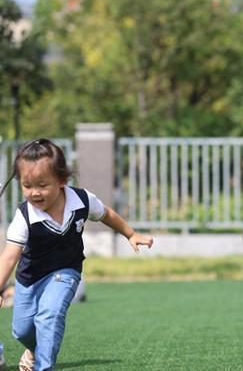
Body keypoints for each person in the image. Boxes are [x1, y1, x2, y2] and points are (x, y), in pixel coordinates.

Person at [0, 138, 154, 371]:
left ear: (62, 180)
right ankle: (32, 350)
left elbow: (106, 214)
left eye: (42, 185)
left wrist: (130, 234)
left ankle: (43, 366)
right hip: (29, 279)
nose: (34, 193)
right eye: (27, 185)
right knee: (21, 330)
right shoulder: (25, 217)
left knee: (49, 315)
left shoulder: (81, 200)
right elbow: (9, 257)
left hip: (66, 271)